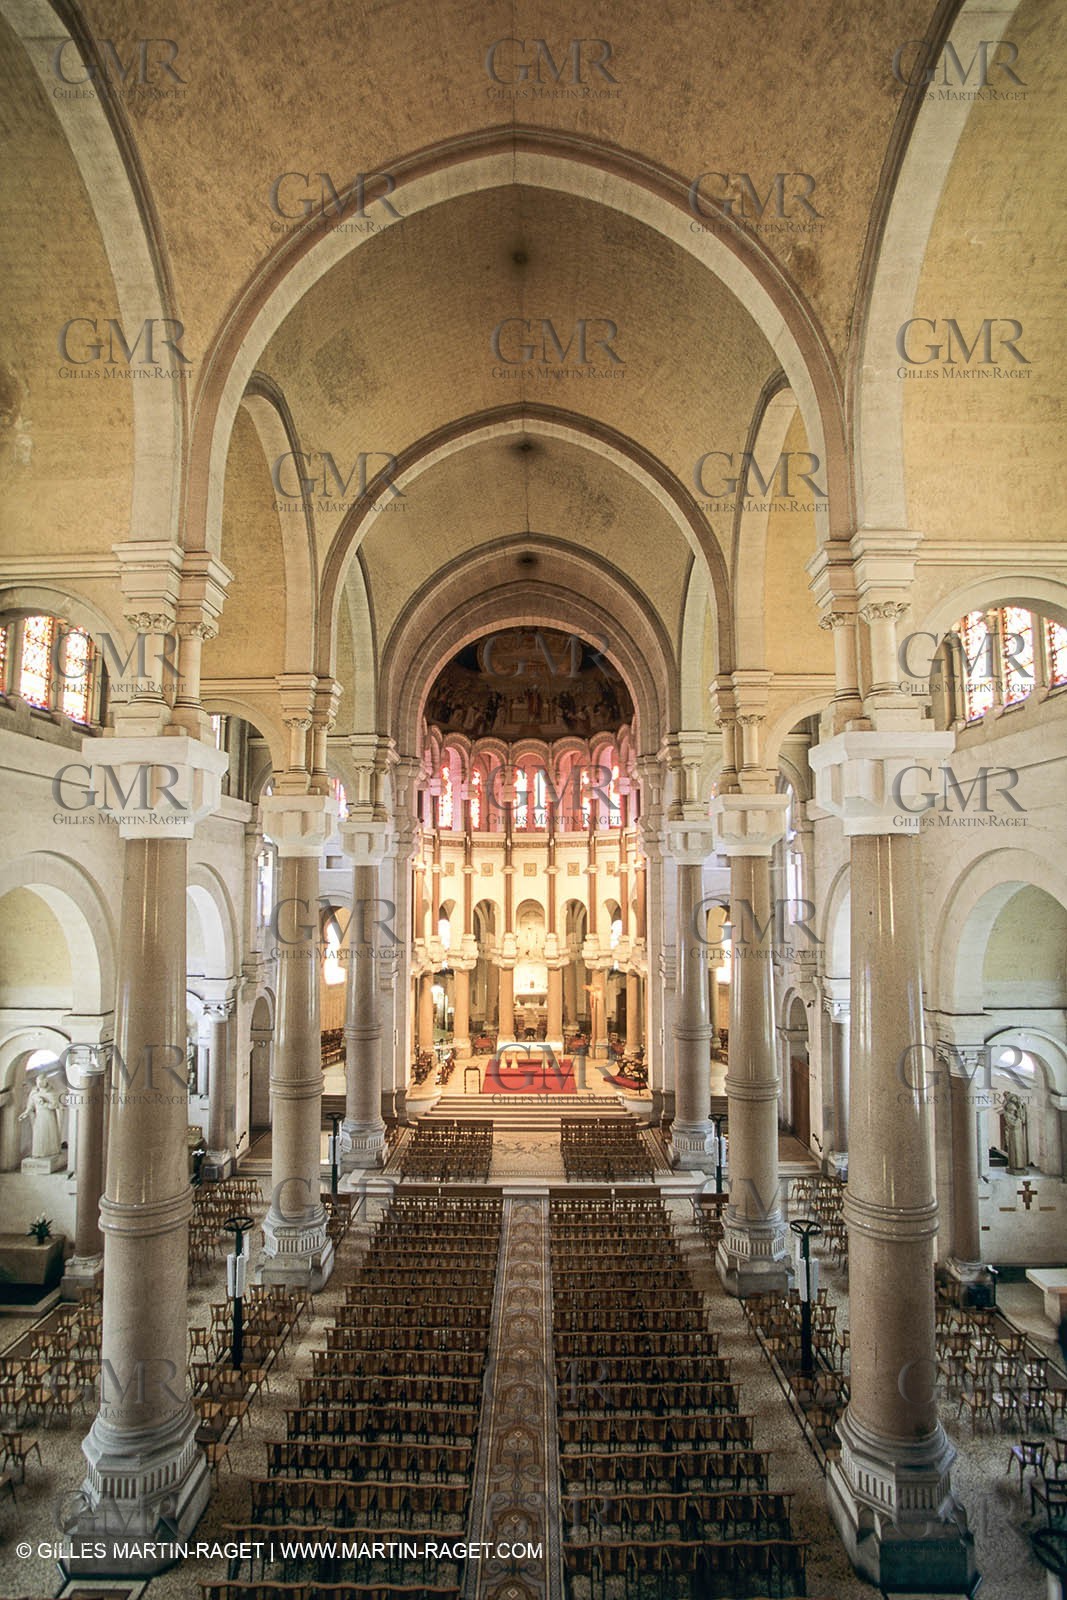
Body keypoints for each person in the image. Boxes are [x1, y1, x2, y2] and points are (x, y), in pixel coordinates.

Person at [19, 1075, 62, 1159]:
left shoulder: (51, 1092)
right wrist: (25, 1113)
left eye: (42, 1081)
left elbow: (55, 1105)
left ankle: (51, 1152)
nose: (39, 1083)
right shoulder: (34, 1093)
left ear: (46, 1081)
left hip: (49, 1116)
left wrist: (44, 1103)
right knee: (38, 1135)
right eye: (38, 1081)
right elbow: (30, 1106)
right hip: (39, 1116)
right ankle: (38, 1152)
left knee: (49, 1134)